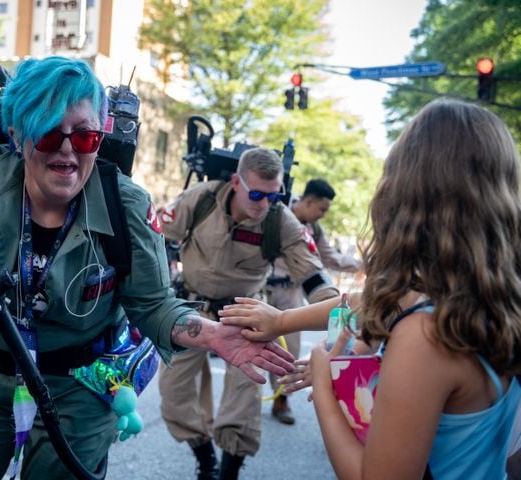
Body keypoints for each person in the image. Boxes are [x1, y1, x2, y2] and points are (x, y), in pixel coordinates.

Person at [0, 56, 294, 480]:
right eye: (50, 133)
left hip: (78, 391)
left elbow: (153, 304)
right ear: (17, 134)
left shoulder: (127, 204)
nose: (68, 150)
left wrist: (211, 334)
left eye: (85, 137)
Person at [219, 99, 521, 479]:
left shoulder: (427, 336)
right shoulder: (494, 307)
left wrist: (326, 383)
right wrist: (282, 321)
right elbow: (373, 302)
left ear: (405, 195)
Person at [158, 147, 339, 479]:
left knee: (243, 400)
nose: (265, 203)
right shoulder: (200, 199)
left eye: (275, 194)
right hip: (191, 311)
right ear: (236, 182)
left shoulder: (280, 220)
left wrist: (336, 316)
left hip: (245, 317)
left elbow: (314, 276)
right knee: (174, 395)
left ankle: (228, 472)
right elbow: (153, 237)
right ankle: (205, 460)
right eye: (256, 193)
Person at [267, 178, 361, 425]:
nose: (323, 215)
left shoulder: (315, 230)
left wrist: (364, 265)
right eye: (322, 209)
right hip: (259, 289)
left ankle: (281, 399)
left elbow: (331, 259)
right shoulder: (274, 210)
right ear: (309, 201)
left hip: (290, 293)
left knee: (289, 350)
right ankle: (239, 413)